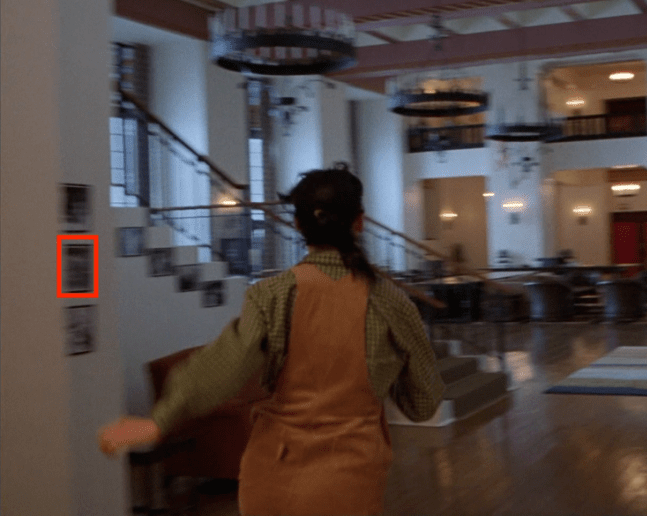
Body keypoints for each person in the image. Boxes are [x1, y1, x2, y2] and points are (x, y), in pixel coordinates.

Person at [99, 165, 445, 516]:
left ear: (297, 225)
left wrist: (158, 421)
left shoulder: (272, 295)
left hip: (274, 481)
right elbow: (423, 404)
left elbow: (221, 368)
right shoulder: (392, 304)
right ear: (360, 222)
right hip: (350, 484)